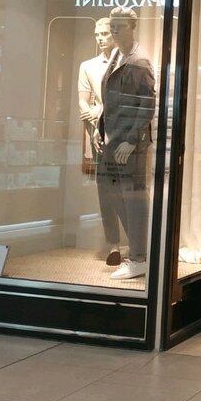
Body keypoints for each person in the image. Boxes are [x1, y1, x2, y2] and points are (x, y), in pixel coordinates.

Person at [96, 7, 157, 280]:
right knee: (113, 193)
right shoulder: (116, 56)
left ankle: (139, 258)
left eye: (119, 26)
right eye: (113, 26)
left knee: (133, 199)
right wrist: (101, 130)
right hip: (113, 139)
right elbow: (111, 99)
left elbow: (147, 105)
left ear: (132, 27)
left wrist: (132, 140)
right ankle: (138, 250)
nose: (114, 31)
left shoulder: (139, 61)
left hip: (128, 144)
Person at [77, 18, 122, 265]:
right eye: (97, 34)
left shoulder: (127, 63)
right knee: (105, 190)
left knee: (127, 191)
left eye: (105, 33)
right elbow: (83, 102)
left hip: (122, 134)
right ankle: (113, 245)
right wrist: (95, 119)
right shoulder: (88, 66)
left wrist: (101, 110)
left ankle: (139, 245)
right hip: (98, 135)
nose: (100, 38)